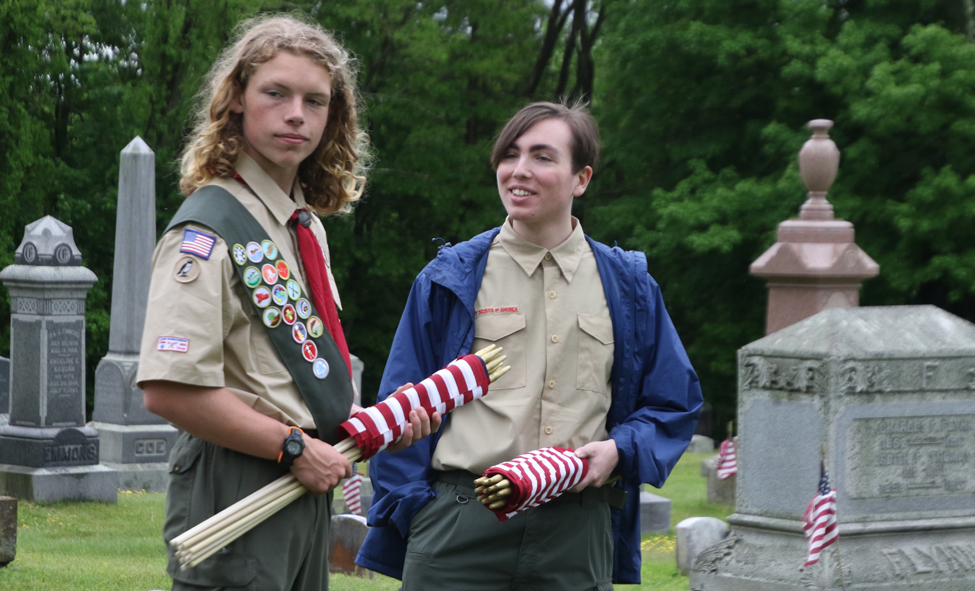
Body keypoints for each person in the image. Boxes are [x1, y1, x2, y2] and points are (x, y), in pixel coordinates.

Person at [136, 15, 438, 591]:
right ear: (237, 103)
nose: (296, 113)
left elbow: (291, 374)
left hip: (304, 475)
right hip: (239, 477)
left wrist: (377, 427)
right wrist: (294, 445)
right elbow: (168, 389)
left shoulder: (303, 225)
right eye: (276, 93)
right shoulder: (207, 229)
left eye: (315, 101)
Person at [357, 101, 703, 589]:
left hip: (577, 531)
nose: (519, 171)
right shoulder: (450, 278)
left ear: (580, 178)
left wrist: (618, 451)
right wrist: (416, 512)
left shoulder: (629, 287)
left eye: (542, 157)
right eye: (510, 154)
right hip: (457, 525)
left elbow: (674, 403)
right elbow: (398, 408)